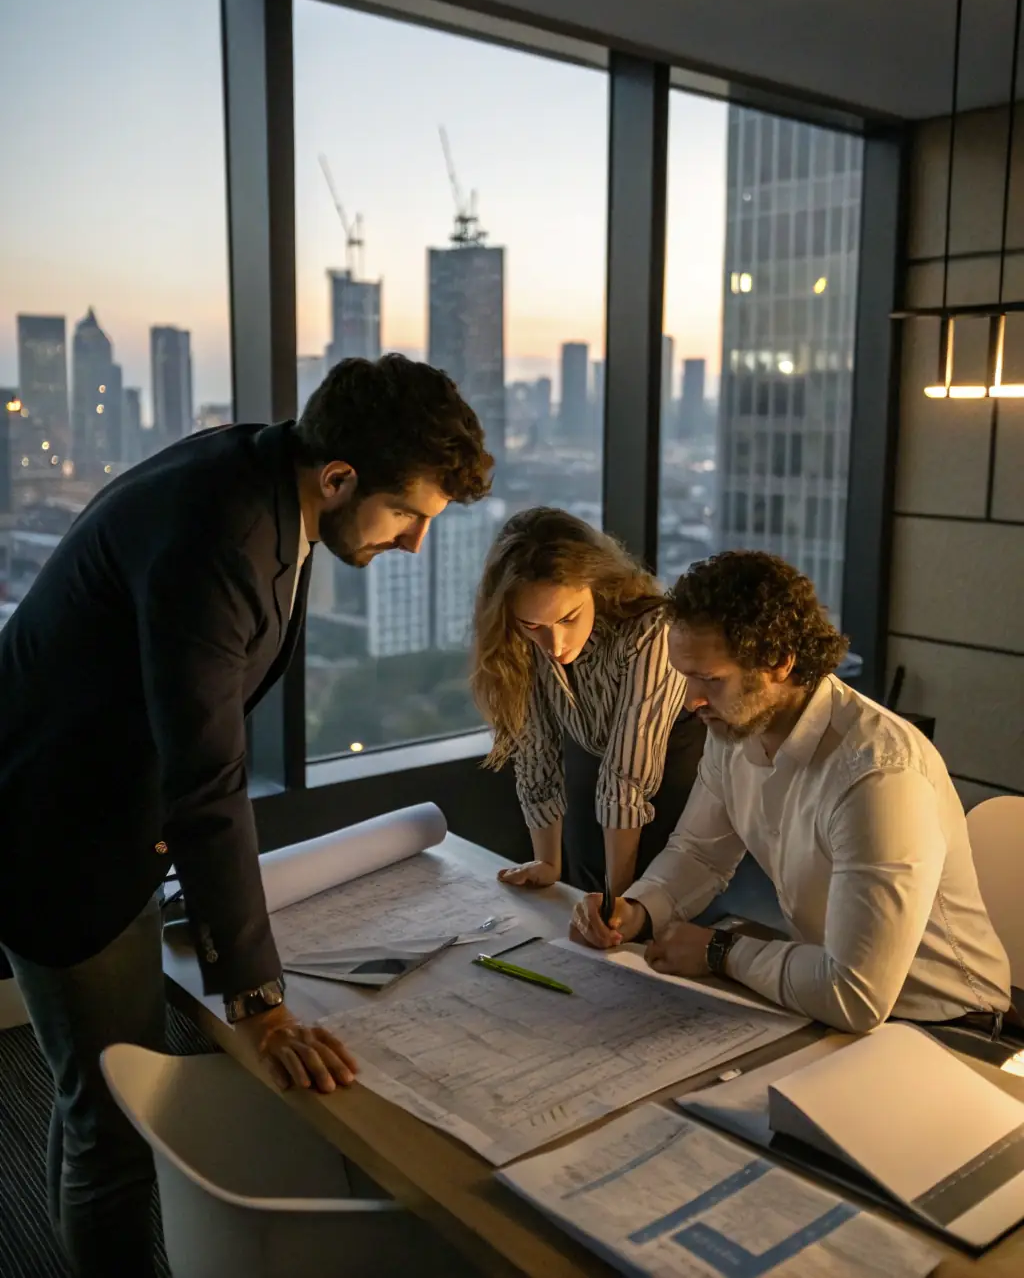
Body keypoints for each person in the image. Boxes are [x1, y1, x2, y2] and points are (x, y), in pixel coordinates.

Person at [0, 353, 492, 1278]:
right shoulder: (221, 536)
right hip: (55, 833)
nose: (418, 544)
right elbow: (207, 777)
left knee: (88, 1092)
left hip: (103, 796)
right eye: (410, 514)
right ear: (340, 477)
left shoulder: (263, 473)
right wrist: (261, 1006)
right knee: (115, 1111)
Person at [571, 550, 1011, 1035]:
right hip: (828, 1004)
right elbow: (699, 855)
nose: (691, 701)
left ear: (779, 661)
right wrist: (636, 911)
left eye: (711, 680)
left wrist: (719, 952)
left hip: (950, 1030)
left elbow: (855, 995)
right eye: (685, 676)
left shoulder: (879, 775)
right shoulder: (734, 730)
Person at [471, 507, 706, 895]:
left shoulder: (651, 629)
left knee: (647, 923)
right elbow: (536, 751)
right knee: (579, 900)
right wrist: (548, 863)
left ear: (595, 584)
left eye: (568, 619)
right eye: (534, 626)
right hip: (594, 783)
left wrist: (618, 904)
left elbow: (626, 777)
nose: (555, 646)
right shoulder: (521, 640)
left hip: (673, 792)